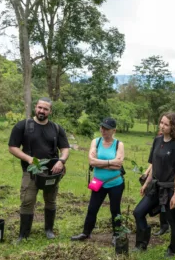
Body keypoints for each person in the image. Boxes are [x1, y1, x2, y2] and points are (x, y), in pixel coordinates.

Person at [8, 98, 70, 242]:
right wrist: (29, 159)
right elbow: (12, 147)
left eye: (45, 109)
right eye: (40, 107)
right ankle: (23, 234)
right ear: (35, 107)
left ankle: (49, 230)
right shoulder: (23, 126)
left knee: (51, 200)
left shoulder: (56, 128)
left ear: (50, 111)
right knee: (27, 200)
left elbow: (65, 148)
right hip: (31, 171)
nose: (42, 111)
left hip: (51, 172)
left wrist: (61, 161)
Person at [133, 112, 175, 257]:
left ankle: (172, 249)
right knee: (138, 212)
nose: (162, 126)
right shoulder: (157, 140)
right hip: (156, 186)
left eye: (166, 124)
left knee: (174, 221)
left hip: (171, 188)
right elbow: (154, 164)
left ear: (173, 126)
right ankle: (141, 244)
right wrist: (146, 183)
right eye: (161, 122)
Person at [71, 118, 125, 244]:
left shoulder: (119, 144)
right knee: (92, 208)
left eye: (106, 128)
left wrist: (99, 163)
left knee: (115, 209)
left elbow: (118, 164)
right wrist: (109, 163)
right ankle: (86, 232)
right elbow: (91, 161)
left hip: (115, 183)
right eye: (102, 127)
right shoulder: (96, 142)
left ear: (114, 130)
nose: (103, 130)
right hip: (98, 183)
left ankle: (117, 235)